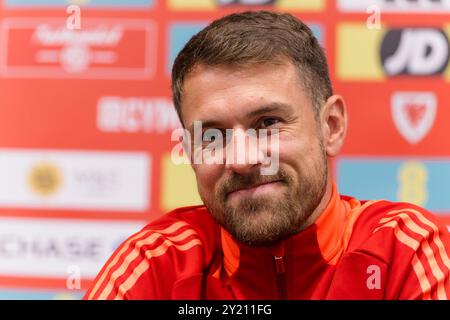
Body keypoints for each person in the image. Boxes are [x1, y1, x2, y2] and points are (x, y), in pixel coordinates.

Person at [84, 11, 450, 300]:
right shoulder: (159, 263)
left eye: (268, 123)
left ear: (331, 126)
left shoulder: (403, 248)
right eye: (213, 135)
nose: (241, 160)